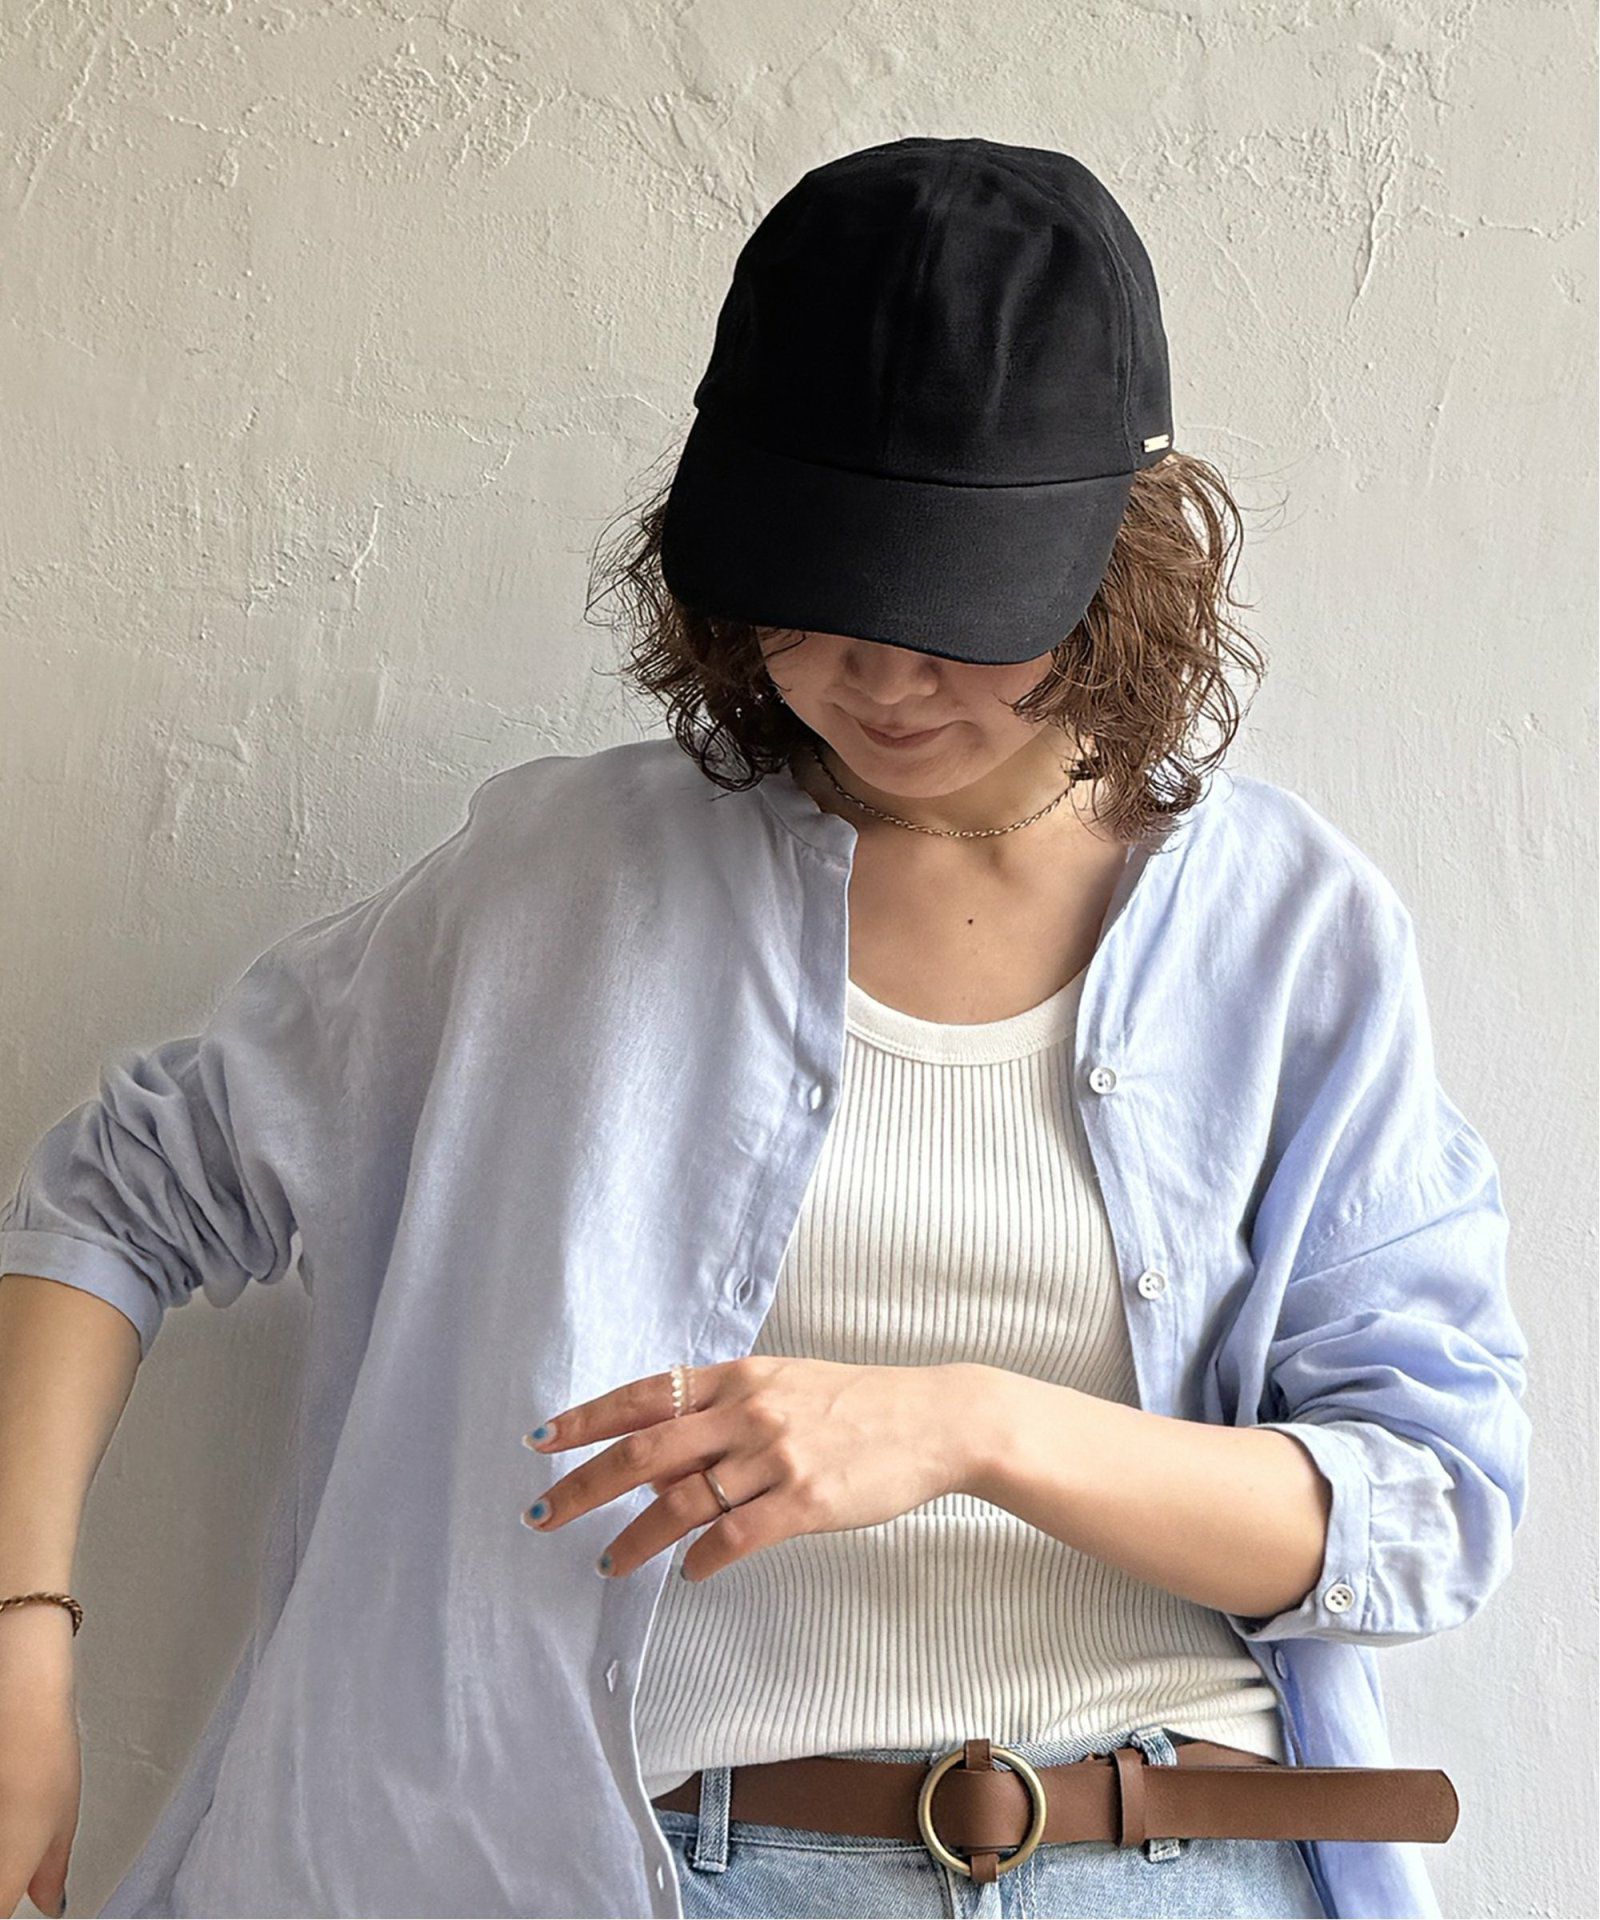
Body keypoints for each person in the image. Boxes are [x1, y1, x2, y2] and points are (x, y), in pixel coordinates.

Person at [0, 137, 1528, 1920]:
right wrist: (24, 1637)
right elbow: (121, 1197)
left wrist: (972, 1428)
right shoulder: (562, 890)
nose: (875, 676)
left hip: (1175, 1862)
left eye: (947, 608)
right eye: (810, 596)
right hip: (683, 1869)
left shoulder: (1292, 937)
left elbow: (1430, 1508)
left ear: (1122, 560)